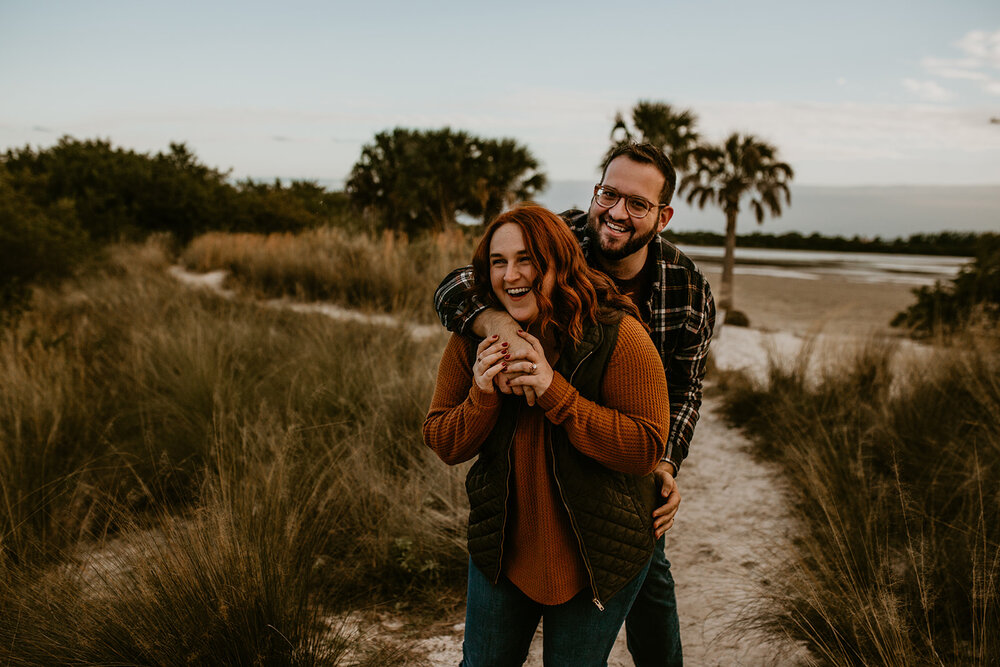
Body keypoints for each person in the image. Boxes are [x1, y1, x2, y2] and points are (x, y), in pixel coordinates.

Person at [434, 143, 716, 667]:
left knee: (651, 594)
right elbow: (457, 287)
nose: (615, 212)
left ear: (663, 215)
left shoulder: (687, 288)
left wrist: (663, 462)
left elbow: (685, 389)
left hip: (617, 477)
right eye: (608, 193)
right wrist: (502, 328)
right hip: (532, 481)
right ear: (596, 191)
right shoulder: (552, 239)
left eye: (637, 203)